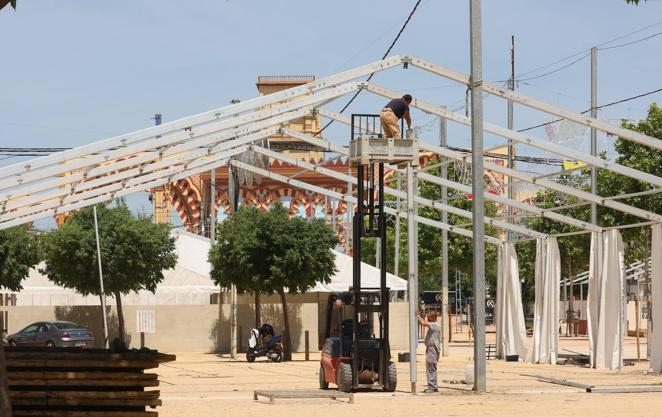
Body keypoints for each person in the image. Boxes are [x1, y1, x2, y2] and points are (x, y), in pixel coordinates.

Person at [418, 309, 441, 393]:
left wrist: (418, 316)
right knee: (432, 368)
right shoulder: (435, 325)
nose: (427, 318)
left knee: (431, 368)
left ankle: (432, 387)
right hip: (432, 349)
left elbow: (423, 323)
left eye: (428, 317)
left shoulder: (435, 325)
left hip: (432, 349)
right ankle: (434, 386)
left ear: (432, 318)